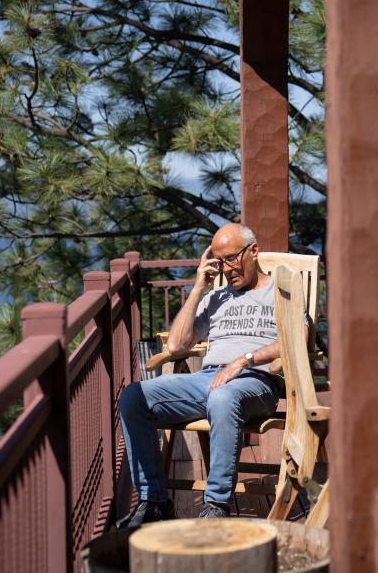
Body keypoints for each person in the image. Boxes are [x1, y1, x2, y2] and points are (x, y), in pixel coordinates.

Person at [117, 223, 282, 527]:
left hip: (257, 381)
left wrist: (245, 360)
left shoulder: (281, 291)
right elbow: (178, 346)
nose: (226, 269)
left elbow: (296, 338)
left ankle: (217, 505)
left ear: (254, 251)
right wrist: (197, 289)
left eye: (232, 258)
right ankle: (154, 500)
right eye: (219, 262)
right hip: (207, 380)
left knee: (222, 397)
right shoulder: (215, 297)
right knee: (133, 397)